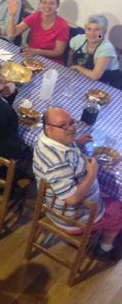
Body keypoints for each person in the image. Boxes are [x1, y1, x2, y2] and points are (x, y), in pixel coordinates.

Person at [34, 107, 122, 259]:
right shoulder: (56, 163)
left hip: (56, 202)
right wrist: (92, 174)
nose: (71, 129)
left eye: (71, 123)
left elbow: (66, 149)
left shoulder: (48, 138)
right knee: (117, 211)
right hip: (70, 219)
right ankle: (104, 249)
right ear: (48, 128)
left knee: (108, 191)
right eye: (63, 126)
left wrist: (77, 142)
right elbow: (72, 199)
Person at [6, 0, 69, 64]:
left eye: (51, 3)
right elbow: (12, 34)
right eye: (44, 2)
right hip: (31, 56)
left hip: (51, 62)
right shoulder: (35, 16)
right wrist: (12, 15)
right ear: (40, 4)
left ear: (57, 6)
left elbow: (58, 52)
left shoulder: (63, 25)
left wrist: (38, 51)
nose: (47, 6)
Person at [67, 14, 122, 88]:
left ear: (104, 31)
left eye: (97, 30)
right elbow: (70, 55)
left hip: (108, 83)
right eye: (88, 29)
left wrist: (77, 67)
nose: (91, 34)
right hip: (86, 79)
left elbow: (95, 75)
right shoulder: (78, 40)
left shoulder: (106, 48)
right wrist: (69, 68)